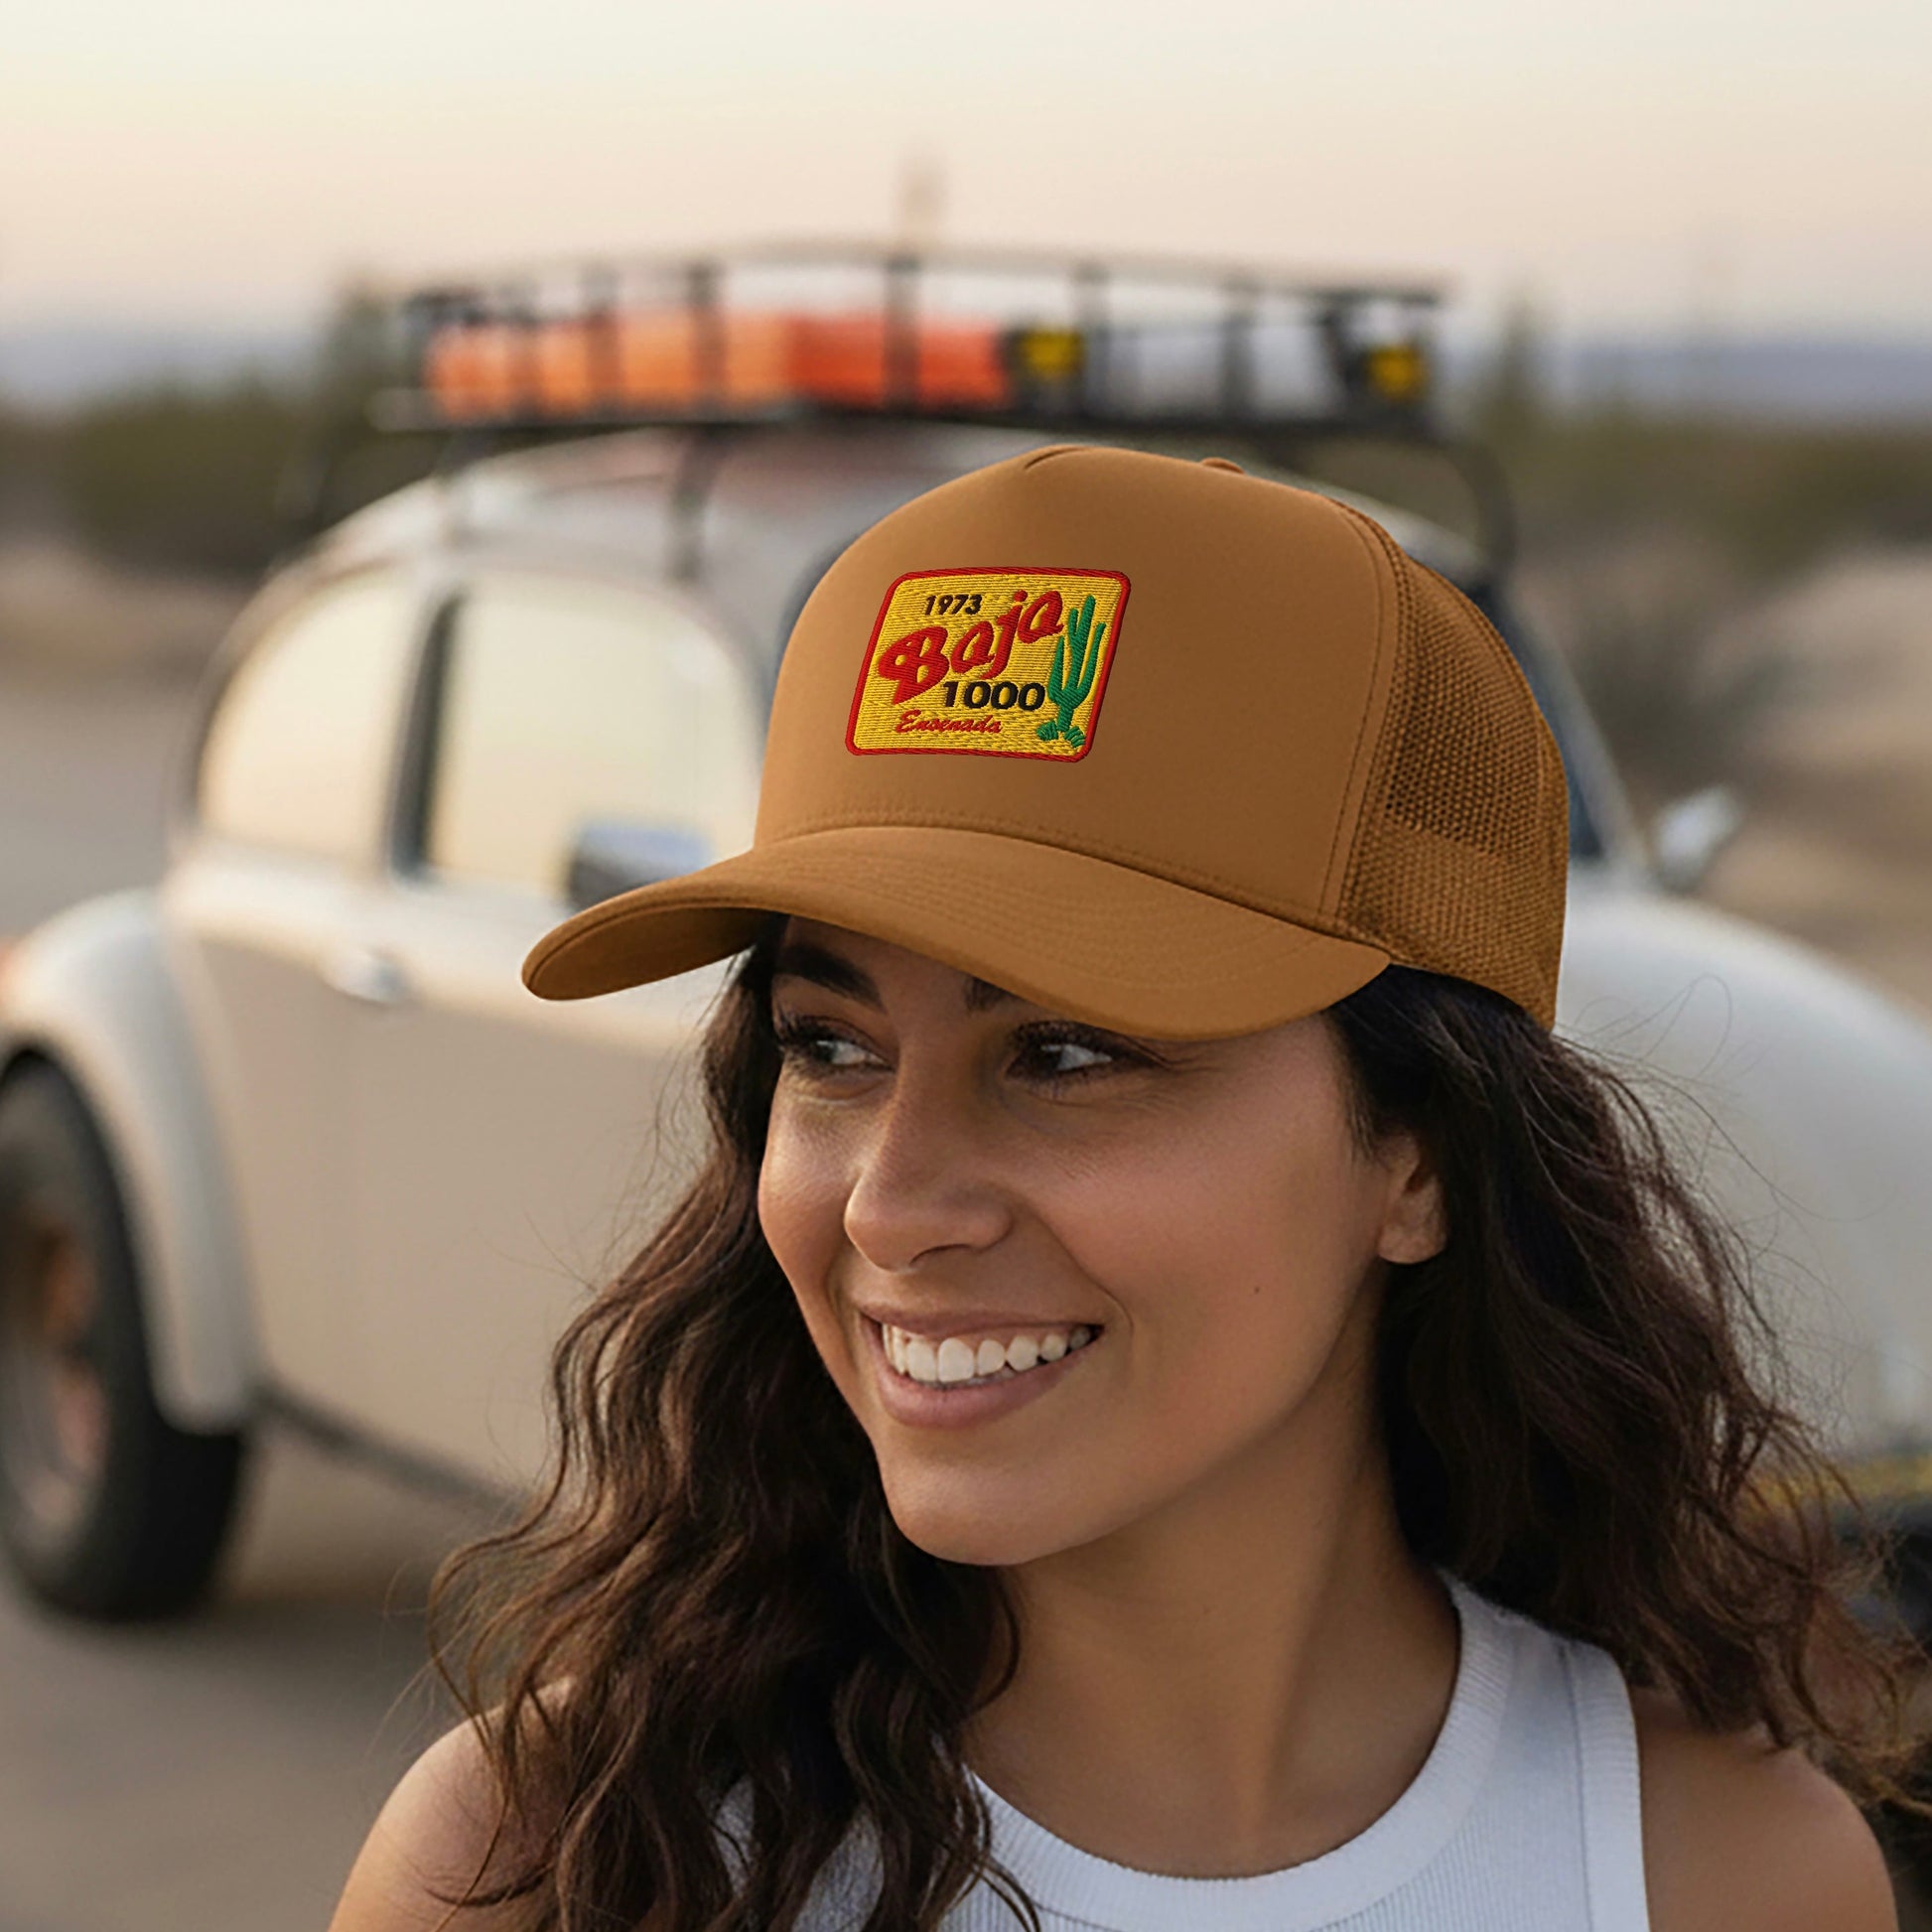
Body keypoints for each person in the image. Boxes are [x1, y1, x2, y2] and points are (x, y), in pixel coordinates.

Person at [328, 445, 1922, 1932]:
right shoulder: (562, 1859)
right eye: (831, 1043)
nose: (889, 1204)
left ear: (1420, 1153)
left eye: (1069, 1052)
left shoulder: (1713, 1876)